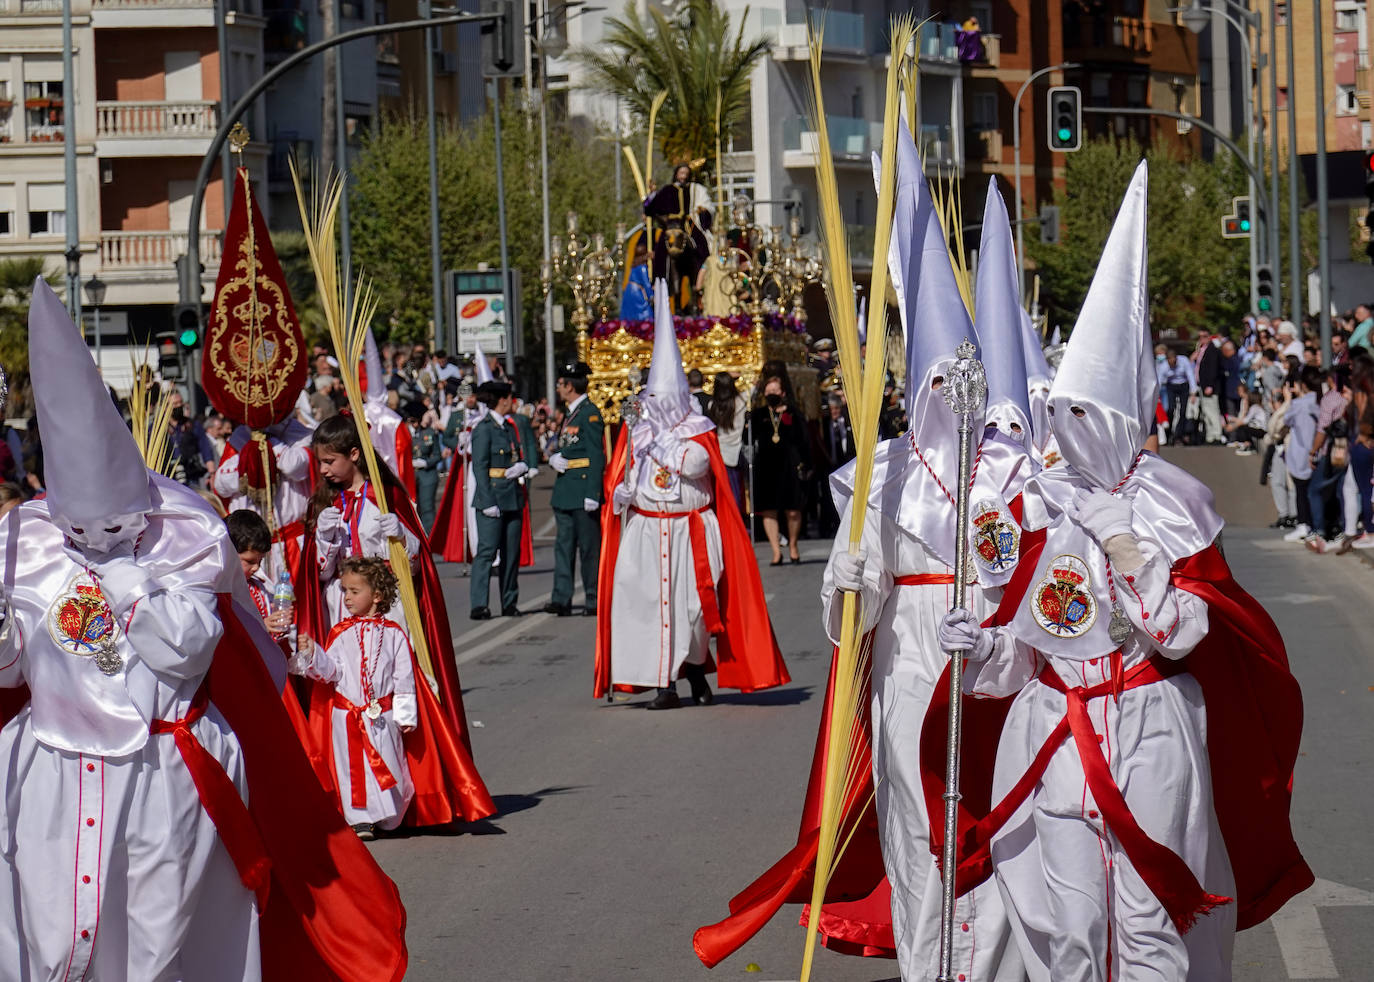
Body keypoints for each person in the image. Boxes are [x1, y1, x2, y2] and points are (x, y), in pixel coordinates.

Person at [935, 163, 1310, 980]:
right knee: (1070, 931)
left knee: (1148, 924)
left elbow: (1185, 630)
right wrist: (973, 646)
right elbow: (1019, 654)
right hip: (1055, 736)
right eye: (1062, 414)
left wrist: (1132, 554)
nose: (1070, 431)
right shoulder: (1040, 506)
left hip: (1148, 733)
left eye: (1086, 415)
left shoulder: (1172, 504)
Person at [0, 280, 411, 980]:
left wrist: (127, 578)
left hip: (165, 774)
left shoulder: (183, 535)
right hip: (53, 773)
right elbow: (11, 671)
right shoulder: (24, 544)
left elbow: (189, 646)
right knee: (52, 943)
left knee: (163, 948)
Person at [594, 280, 789, 709]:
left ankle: (696, 673)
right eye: (654, 398)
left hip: (689, 532)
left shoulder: (696, 432)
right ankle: (664, 683)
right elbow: (624, 480)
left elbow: (695, 466)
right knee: (647, 608)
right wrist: (624, 492)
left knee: (691, 612)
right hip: (648, 531)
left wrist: (658, 444)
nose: (658, 406)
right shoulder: (638, 432)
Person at [294, 557, 416, 840]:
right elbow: (331, 672)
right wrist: (313, 653)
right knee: (353, 767)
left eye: (354, 591)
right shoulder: (340, 632)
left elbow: (404, 678)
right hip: (347, 715)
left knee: (390, 762)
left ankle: (390, 815)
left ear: (376, 595)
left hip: (381, 715)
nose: (346, 597)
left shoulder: (394, 634)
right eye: (344, 590)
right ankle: (359, 818)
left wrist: (406, 714)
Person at [212, 415, 315, 586]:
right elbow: (221, 485)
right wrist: (250, 453)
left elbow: (294, 466)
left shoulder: (298, 432)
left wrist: (269, 442)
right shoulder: (240, 436)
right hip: (249, 550)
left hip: (292, 546)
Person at [544, 362, 605, 617]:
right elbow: (569, 447)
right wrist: (555, 457)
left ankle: (593, 597)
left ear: (570, 386)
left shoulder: (589, 413)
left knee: (589, 548)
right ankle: (561, 597)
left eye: (560, 384)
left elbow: (595, 455)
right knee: (564, 548)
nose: (558, 389)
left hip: (582, 491)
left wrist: (593, 492)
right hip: (566, 489)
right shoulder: (571, 413)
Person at [468, 380, 527, 619]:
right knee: (486, 552)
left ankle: (509, 601)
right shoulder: (484, 428)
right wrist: (487, 499)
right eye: (509, 399)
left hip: (511, 495)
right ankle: (479, 604)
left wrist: (521, 465)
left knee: (511, 553)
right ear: (502, 400)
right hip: (492, 496)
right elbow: (480, 467)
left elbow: (515, 454)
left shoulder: (509, 428)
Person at [749, 376, 811, 565]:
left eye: (775, 391)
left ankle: (792, 544)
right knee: (769, 510)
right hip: (766, 466)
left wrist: (806, 463)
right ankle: (776, 550)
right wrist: (748, 421)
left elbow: (803, 439)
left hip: (789, 465)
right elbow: (748, 438)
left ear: (782, 393)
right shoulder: (759, 414)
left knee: (793, 510)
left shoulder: (793, 413)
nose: (772, 395)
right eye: (768, 392)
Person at [642, 162, 714, 310]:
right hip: (671, 226)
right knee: (662, 250)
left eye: (686, 174)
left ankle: (705, 276)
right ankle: (659, 281)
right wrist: (652, 195)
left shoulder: (693, 189)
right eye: (681, 173)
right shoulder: (668, 190)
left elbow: (706, 208)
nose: (683, 176)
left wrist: (702, 211)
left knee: (701, 246)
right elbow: (650, 208)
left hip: (688, 224)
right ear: (676, 174)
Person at [706, 371, 749, 513]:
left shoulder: (712, 405)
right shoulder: (741, 401)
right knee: (735, 489)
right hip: (735, 450)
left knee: (721, 490)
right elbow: (751, 388)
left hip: (720, 452)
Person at [409, 399, 444, 531]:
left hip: (426, 475)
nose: (415, 424)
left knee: (427, 508)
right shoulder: (405, 434)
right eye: (412, 421)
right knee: (413, 508)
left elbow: (437, 455)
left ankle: (431, 540)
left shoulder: (429, 433)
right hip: (411, 474)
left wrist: (426, 462)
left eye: (417, 421)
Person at [1159, 347, 1197, 445]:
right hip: (1171, 386)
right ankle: (1168, 432)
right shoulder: (1163, 366)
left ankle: (1178, 435)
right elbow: (1159, 381)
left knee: (1183, 411)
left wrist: (1193, 392)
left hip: (1183, 385)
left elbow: (1190, 376)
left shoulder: (1183, 361)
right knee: (1170, 408)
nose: (1173, 364)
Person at [1193, 329, 1223, 444]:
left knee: (1213, 411)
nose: (1201, 339)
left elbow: (1213, 368)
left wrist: (1210, 385)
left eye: (1204, 336)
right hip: (1202, 385)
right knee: (1206, 412)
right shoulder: (1201, 350)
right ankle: (1210, 435)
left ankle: (1217, 434)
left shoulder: (1212, 350)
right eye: (1199, 336)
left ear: (1209, 337)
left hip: (1209, 386)